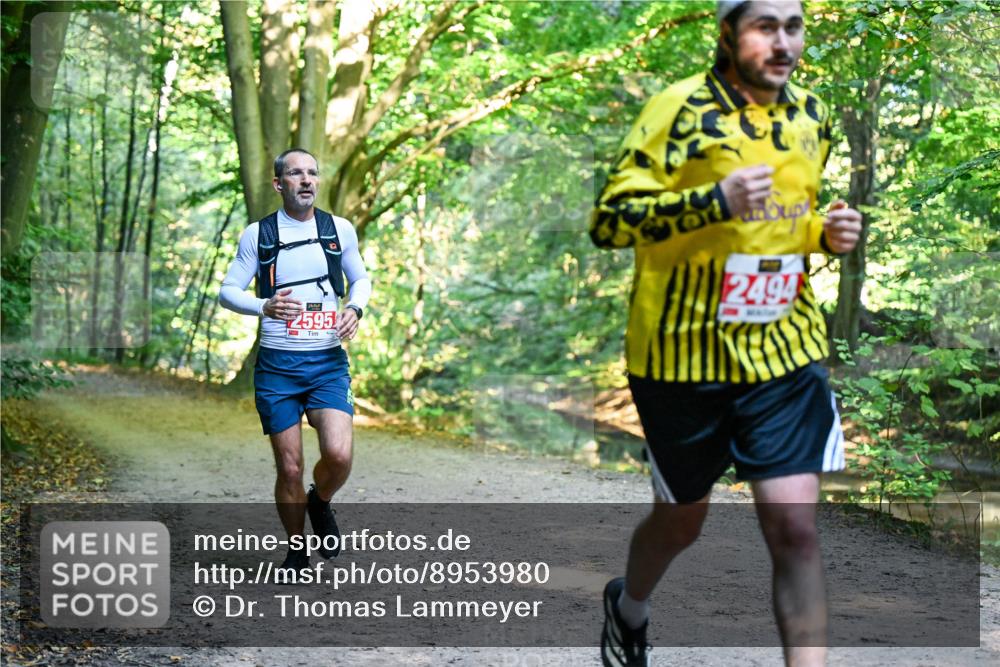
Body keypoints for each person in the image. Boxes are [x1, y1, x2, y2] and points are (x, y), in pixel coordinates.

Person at [589, 1, 862, 665]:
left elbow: (783, 226)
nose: (783, 43)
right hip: (681, 358)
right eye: (765, 26)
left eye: (793, 27)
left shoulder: (811, 117)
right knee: (683, 519)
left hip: (784, 350)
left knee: (795, 529)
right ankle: (630, 606)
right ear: (726, 33)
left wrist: (826, 238)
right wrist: (714, 200)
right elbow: (610, 223)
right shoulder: (677, 111)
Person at [219, 148, 372, 575]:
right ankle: (296, 553)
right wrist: (263, 306)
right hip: (277, 366)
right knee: (289, 465)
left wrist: (354, 309)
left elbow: (359, 278)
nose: (306, 180)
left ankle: (318, 502)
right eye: (296, 173)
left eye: (312, 173)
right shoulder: (259, 234)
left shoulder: (337, 230)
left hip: (326, 361)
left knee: (338, 455)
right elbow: (228, 290)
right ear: (278, 184)